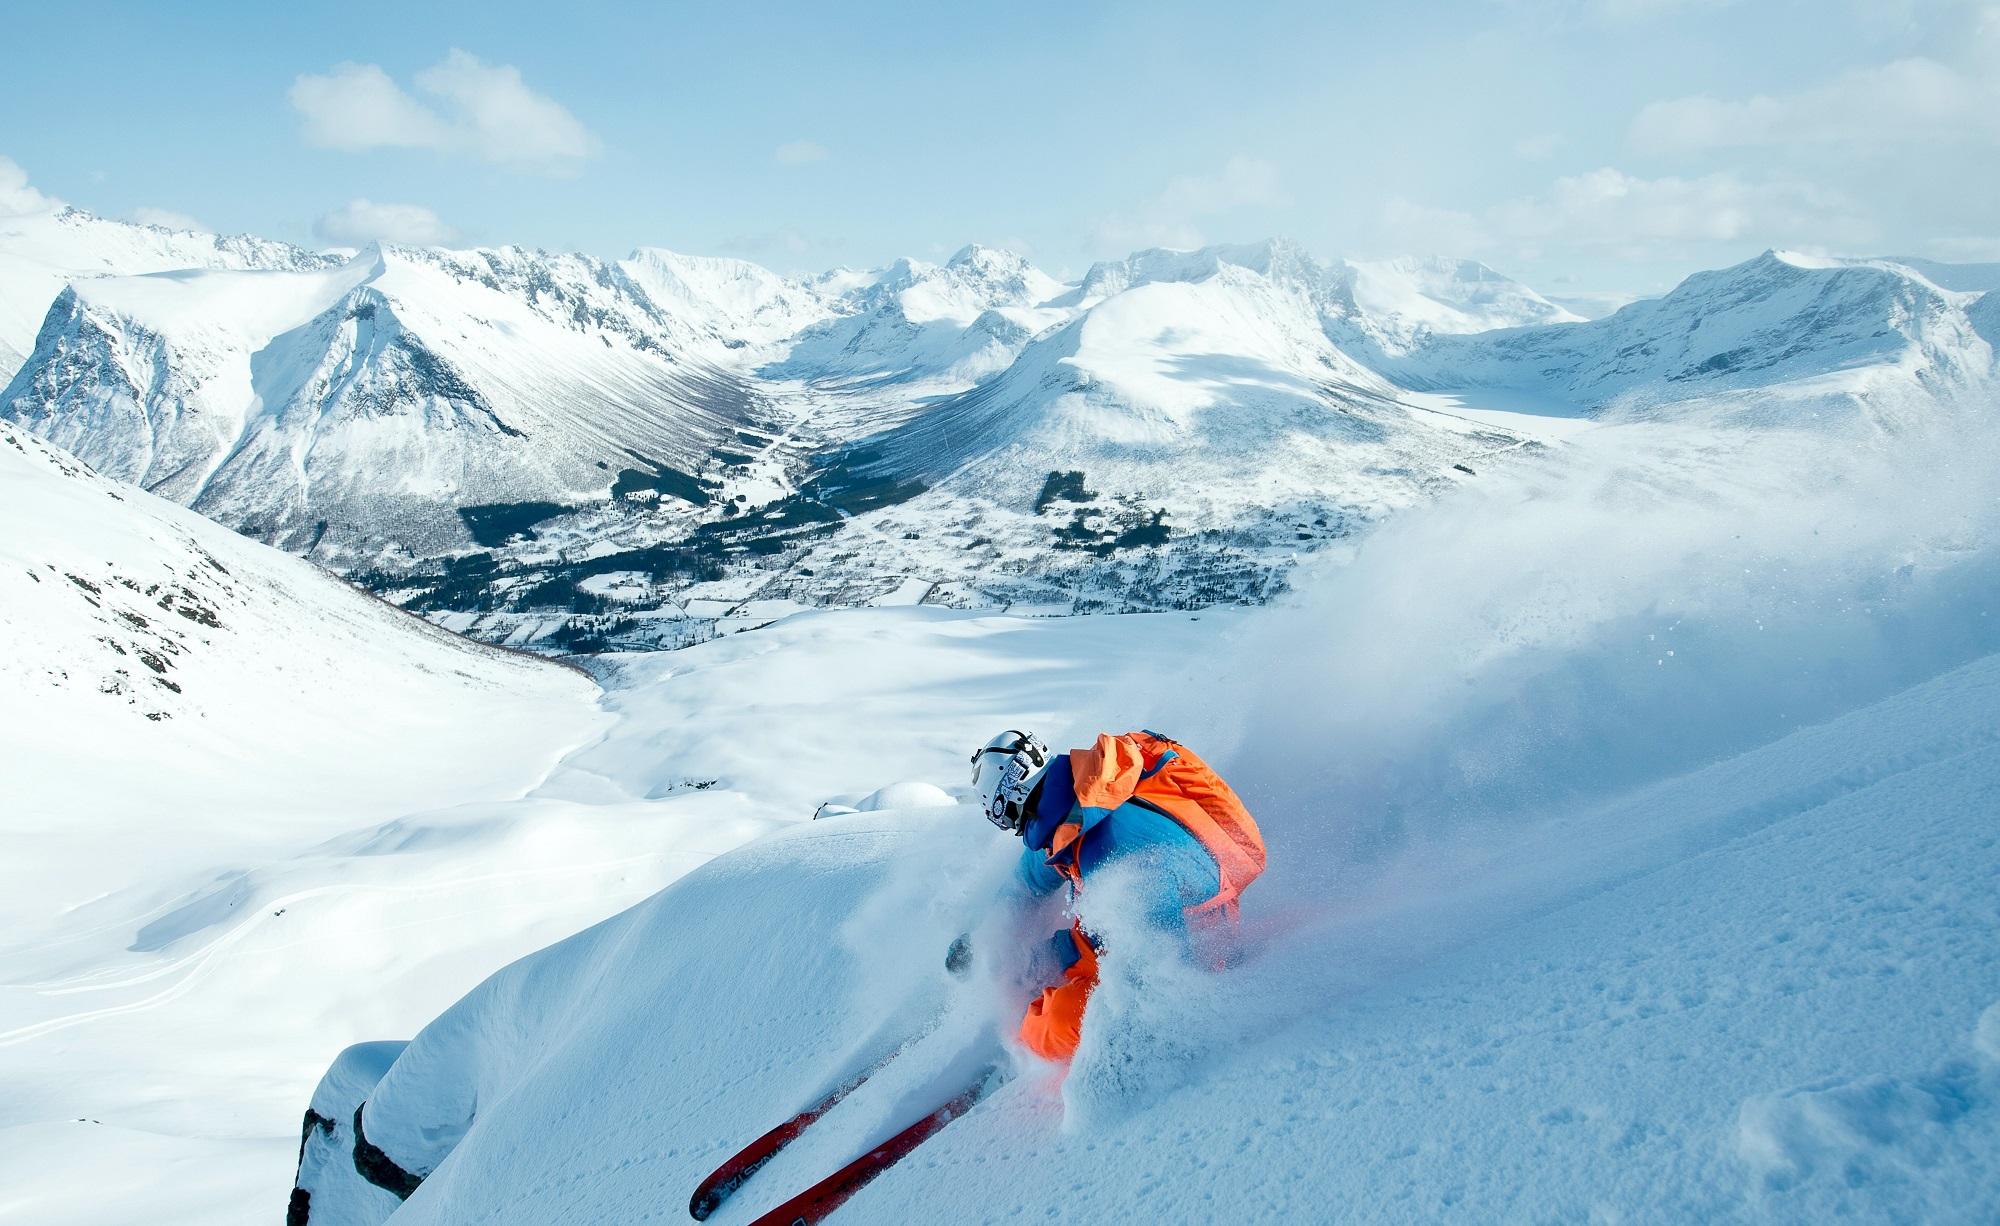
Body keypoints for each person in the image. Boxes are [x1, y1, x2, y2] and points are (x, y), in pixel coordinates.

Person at [958, 729, 1266, 1063]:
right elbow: (1030, 876)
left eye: (1001, 815)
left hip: (1195, 938)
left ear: (1013, 798)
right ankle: (1032, 988)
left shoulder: (1112, 852)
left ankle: (1022, 1039)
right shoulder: (1086, 799)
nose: (1009, 826)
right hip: (1141, 925)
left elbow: (1165, 975)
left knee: (1054, 1025)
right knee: (1042, 959)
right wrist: (986, 934)